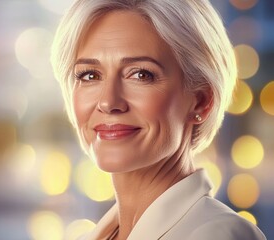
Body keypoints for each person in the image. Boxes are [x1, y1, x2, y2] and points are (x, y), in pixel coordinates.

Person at [50, 0, 266, 239]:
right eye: (90, 75)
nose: (108, 102)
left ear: (202, 101)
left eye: (141, 74)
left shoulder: (218, 234)